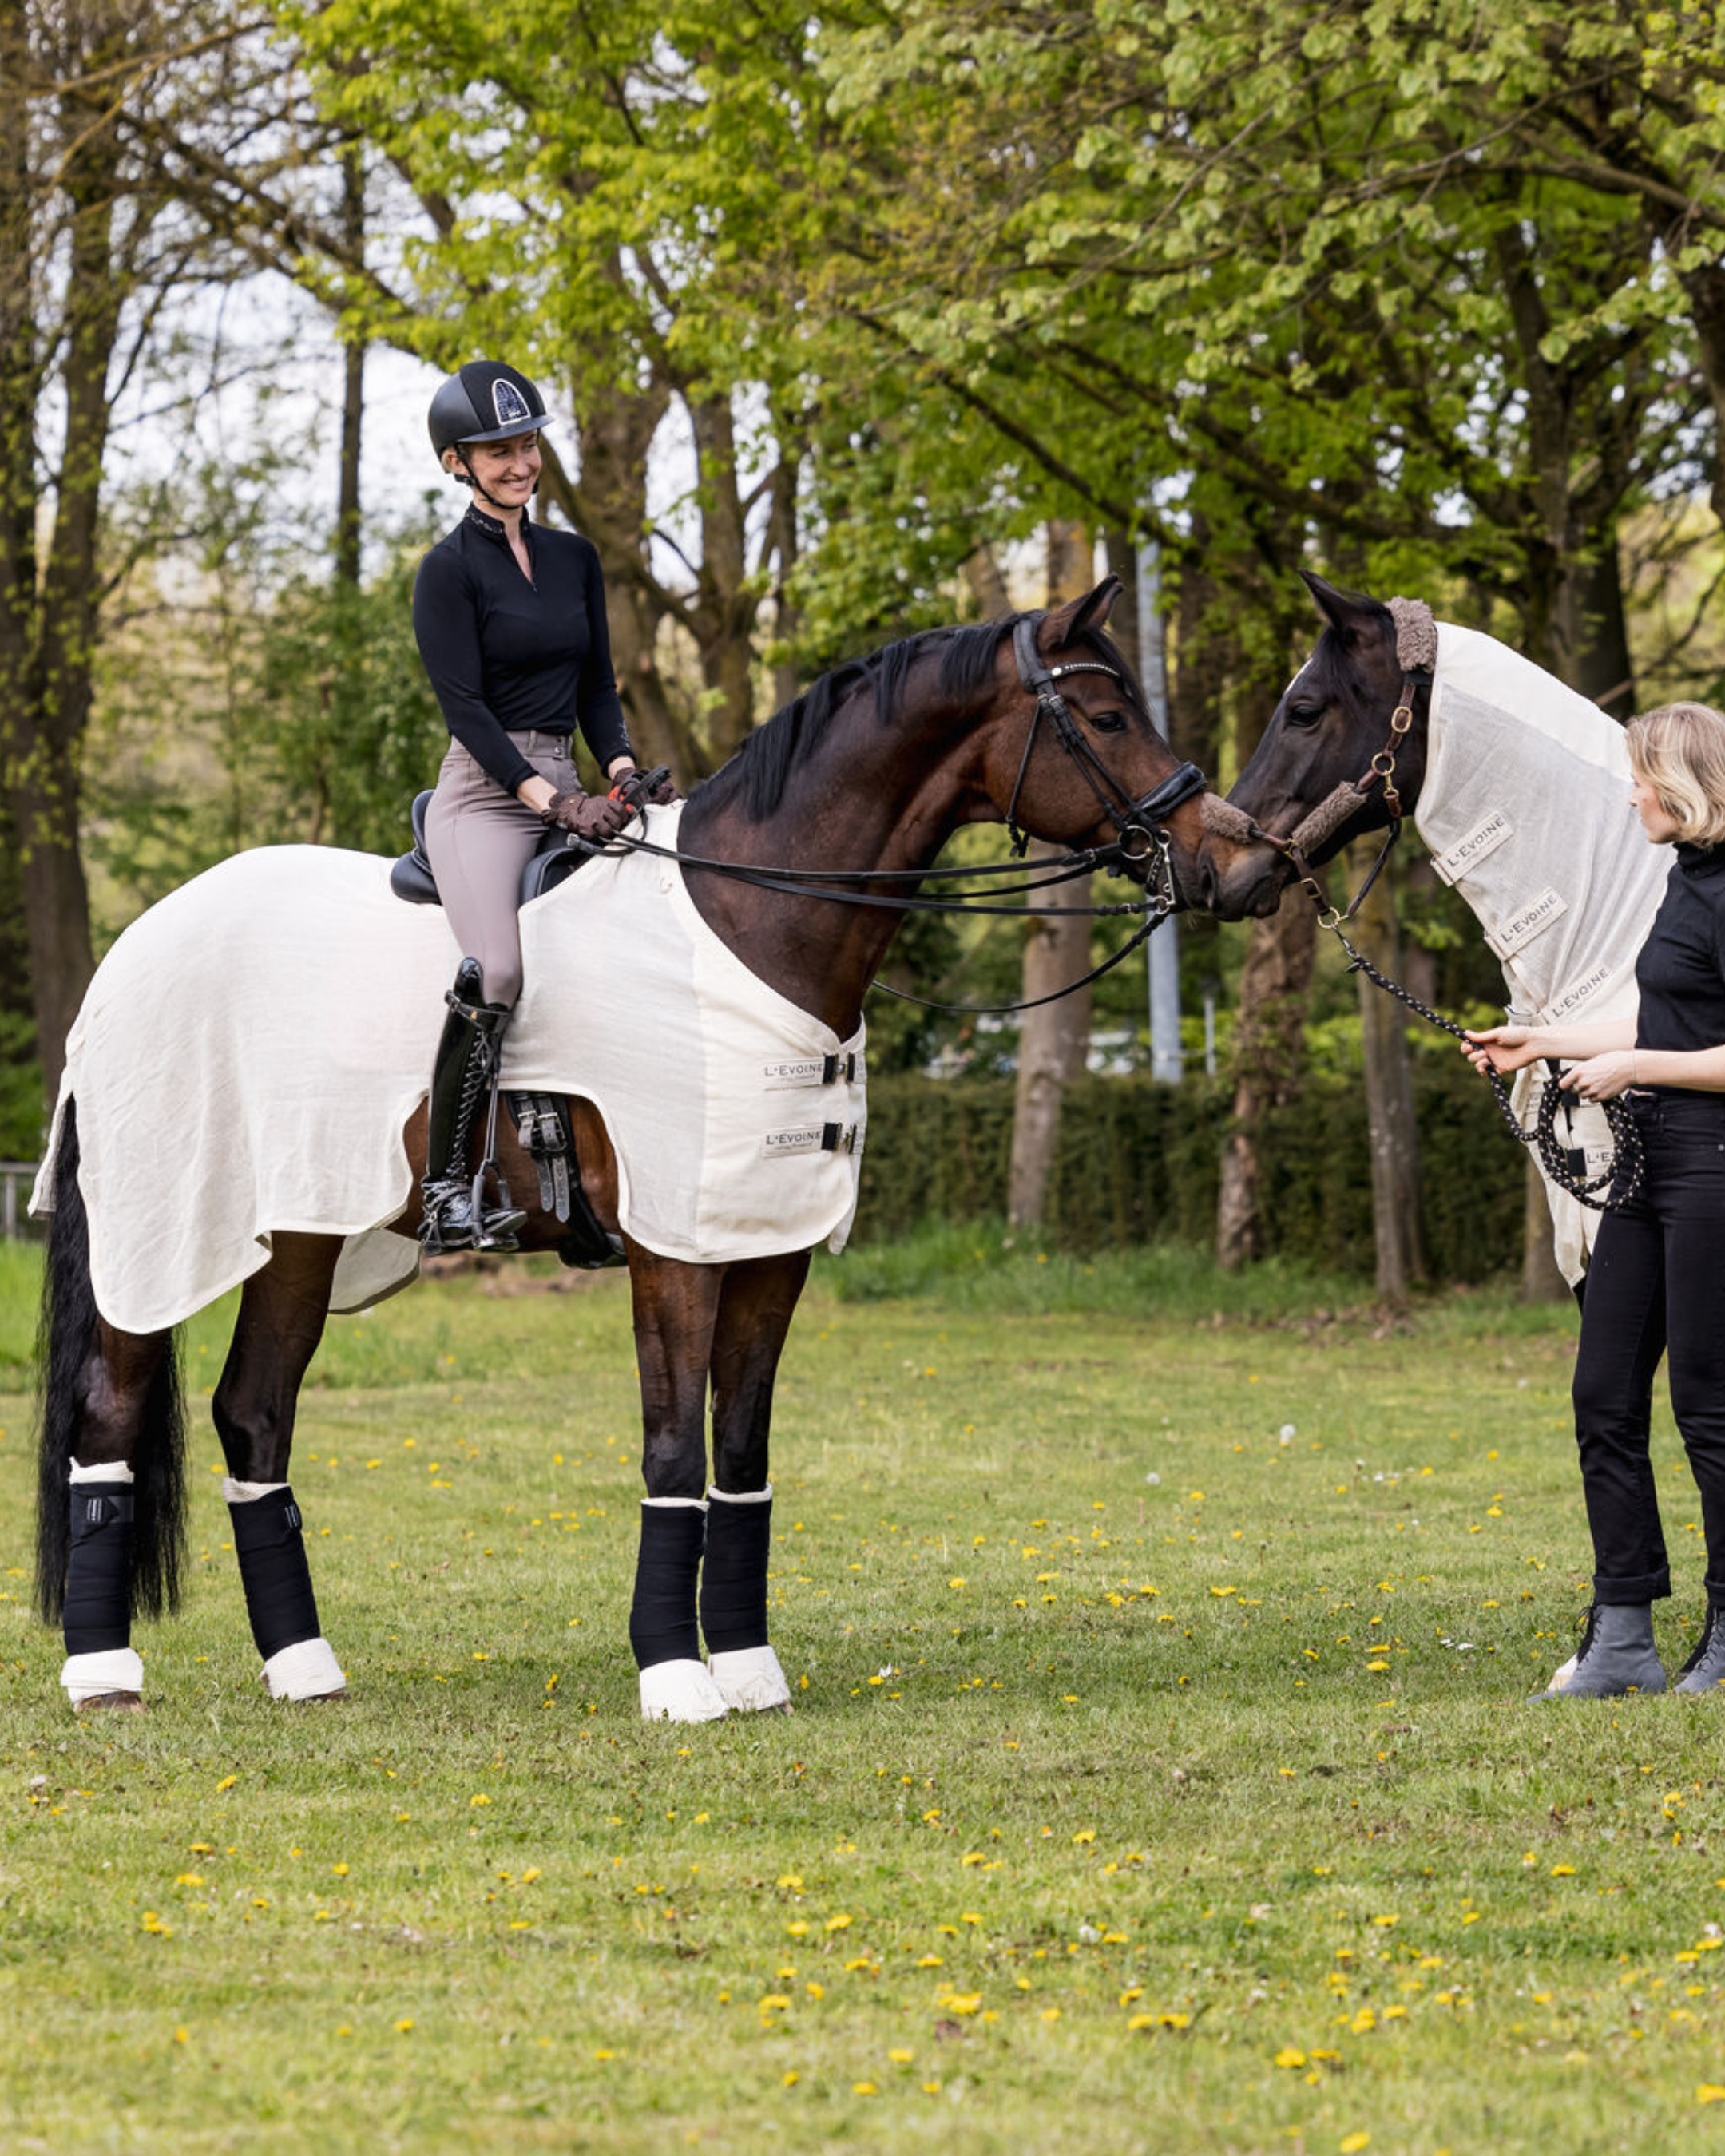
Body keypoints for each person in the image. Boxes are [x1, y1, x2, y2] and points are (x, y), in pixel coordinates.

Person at [1465, 701, 1725, 1698]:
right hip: (1652, 1163)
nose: (1629, 795)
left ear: (1682, 786)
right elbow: (1665, 1008)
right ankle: (1623, 1639)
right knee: (1603, 1393)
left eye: (1641, 779)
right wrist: (1543, 1041)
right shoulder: (1685, 882)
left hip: (1712, 1163)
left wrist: (1634, 1066)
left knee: (1708, 1403)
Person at [412, 359, 672, 1253]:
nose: (520, 463)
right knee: (502, 973)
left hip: (571, 779)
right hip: (486, 795)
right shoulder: (445, 574)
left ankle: (587, 1195)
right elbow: (467, 712)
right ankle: (448, 1185)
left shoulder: (574, 559)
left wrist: (626, 770)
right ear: (458, 464)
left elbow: (597, 686)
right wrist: (552, 802)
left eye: (526, 445)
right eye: (497, 452)